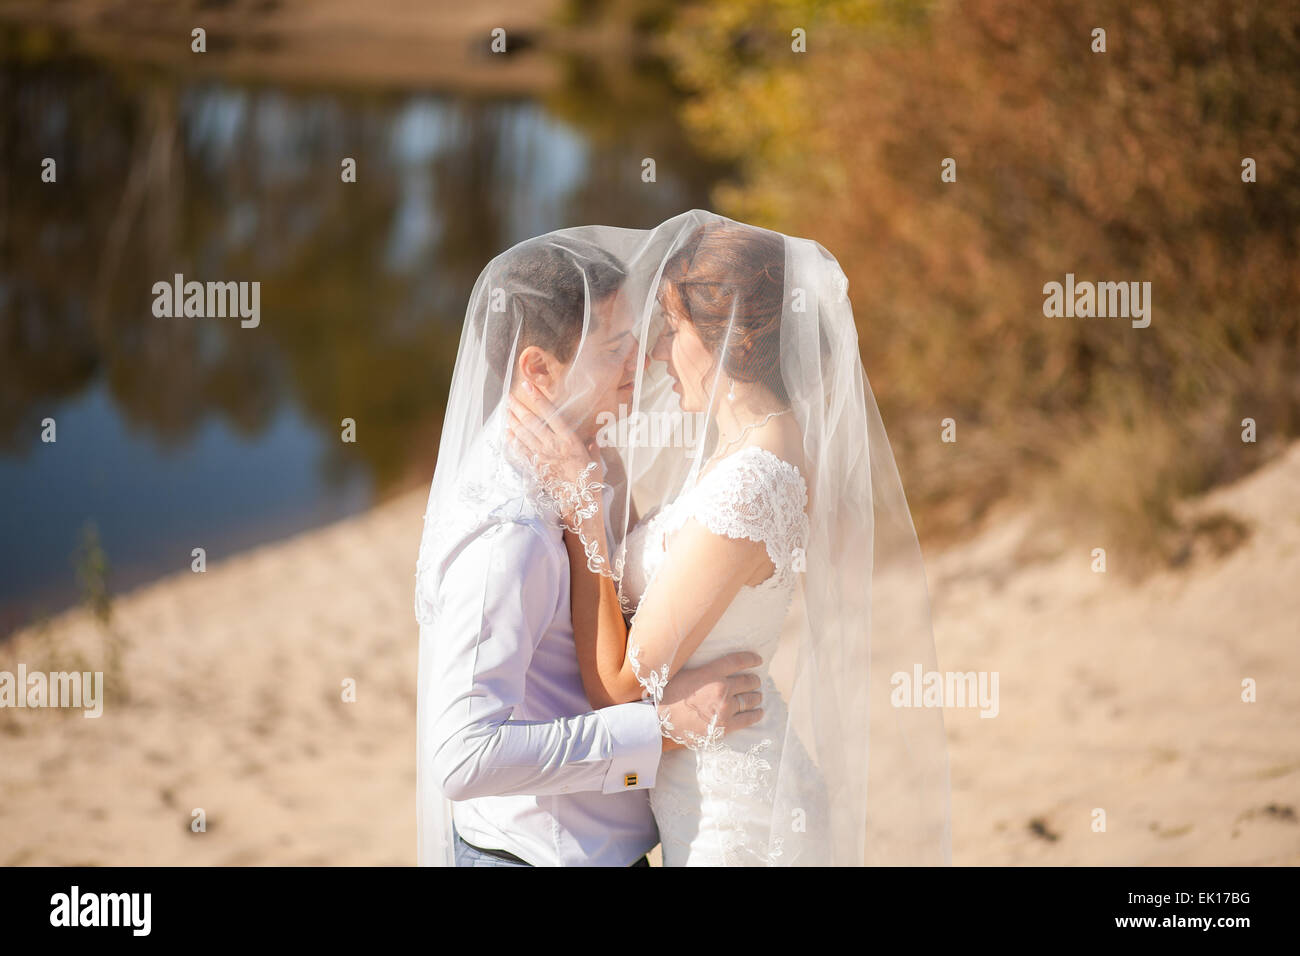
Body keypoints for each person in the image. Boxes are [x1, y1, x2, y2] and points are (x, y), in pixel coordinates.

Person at [507, 211, 952, 865]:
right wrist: (607, 470)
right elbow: (672, 574)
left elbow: (618, 687)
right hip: (721, 789)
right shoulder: (757, 446)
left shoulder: (753, 480)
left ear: (732, 342)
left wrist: (579, 512)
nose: (654, 353)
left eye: (671, 327)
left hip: (735, 819)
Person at [414, 234, 766, 867]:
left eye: (633, 337)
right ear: (538, 370)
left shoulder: (589, 456)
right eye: (612, 348)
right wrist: (661, 729)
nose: (643, 360)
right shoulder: (511, 534)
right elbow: (461, 758)